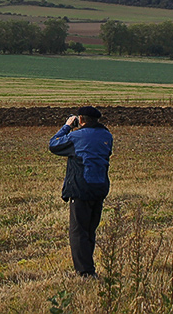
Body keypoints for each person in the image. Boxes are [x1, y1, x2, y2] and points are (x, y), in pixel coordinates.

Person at [48, 105, 113, 277]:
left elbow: (53, 145)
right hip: (99, 187)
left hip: (81, 188)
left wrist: (68, 126)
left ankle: (84, 272)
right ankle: (88, 267)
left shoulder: (77, 136)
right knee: (90, 230)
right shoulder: (107, 136)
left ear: (81, 120)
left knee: (78, 232)